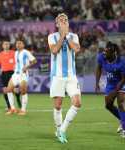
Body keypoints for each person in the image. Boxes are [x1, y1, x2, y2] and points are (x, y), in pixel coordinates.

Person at [48, 13, 81, 143]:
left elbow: (76, 49)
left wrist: (66, 35)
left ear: (68, 23)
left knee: (77, 103)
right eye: (61, 20)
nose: (63, 22)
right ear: (57, 24)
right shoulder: (52, 36)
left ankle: (62, 130)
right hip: (57, 76)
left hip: (71, 76)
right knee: (57, 106)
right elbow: (54, 50)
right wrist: (62, 36)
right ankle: (58, 129)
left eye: (65, 20)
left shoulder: (74, 36)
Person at [95, 41, 125, 138]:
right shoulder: (102, 57)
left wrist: (116, 91)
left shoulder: (121, 62)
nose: (104, 53)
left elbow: (124, 78)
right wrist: (97, 83)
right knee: (108, 105)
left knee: (121, 103)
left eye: (106, 52)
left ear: (113, 53)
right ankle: (123, 119)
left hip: (121, 82)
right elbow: (98, 68)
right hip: (110, 84)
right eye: (104, 51)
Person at [3, 38, 37, 115]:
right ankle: (12, 109)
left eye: (20, 43)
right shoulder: (15, 53)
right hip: (16, 74)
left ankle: (23, 110)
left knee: (23, 91)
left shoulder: (26, 52)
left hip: (23, 74)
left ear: (23, 45)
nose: (18, 44)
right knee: (9, 89)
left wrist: (26, 67)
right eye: (17, 43)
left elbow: (34, 61)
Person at [0, 39, 21, 113]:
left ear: (9, 45)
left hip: (13, 73)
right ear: (2, 46)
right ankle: (9, 107)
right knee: (5, 90)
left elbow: (19, 60)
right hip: (4, 74)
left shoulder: (14, 53)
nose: (6, 45)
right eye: (5, 44)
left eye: (8, 44)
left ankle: (18, 99)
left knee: (16, 90)